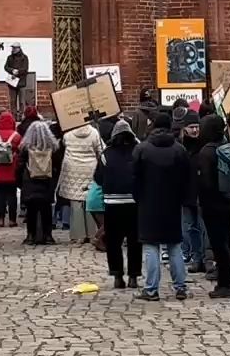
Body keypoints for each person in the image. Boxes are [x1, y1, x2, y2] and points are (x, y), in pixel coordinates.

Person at [133, 113, 192, 301]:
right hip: (172, 203)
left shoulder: (142, 149)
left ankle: (151, 289)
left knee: (151, 246)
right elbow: (187, 178)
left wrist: (138, 197)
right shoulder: (179, 150)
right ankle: (180, 287)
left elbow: (135, 177)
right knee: (174, 246)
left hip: (148, 203)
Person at [194, 114, 230, 298]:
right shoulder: (227, 146)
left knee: (219, 245)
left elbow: (205, 182)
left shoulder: (207, 152)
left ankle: (227, 284)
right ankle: (227, 279)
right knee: (227, 242)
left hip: (213, 205)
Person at [95, 120, 142, 287]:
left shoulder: (106, 154)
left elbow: (98, 178)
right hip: (134, 202)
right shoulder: (138, 151)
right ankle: (133, 276)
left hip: (112, 203)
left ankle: (117, 275)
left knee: (113, 241)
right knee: (134, 241)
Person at [57, 118, 103, 244]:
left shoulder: (68, 133)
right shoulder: (94, 132)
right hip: (90, 168)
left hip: (73, 169)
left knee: (76, 203)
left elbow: (64, 144)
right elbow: (100, 150)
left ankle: (78, 235)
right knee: (89, 200)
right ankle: (91, 233)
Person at [175, 110, 208, 272]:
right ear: (185, 128)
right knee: (190, 228)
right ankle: (196, 257)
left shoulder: (204, 146)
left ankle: (206, 258)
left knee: (203, 228)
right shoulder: (180, 148)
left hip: (202, 193)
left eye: (197, 126)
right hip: (187, 193)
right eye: (191, 127)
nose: (195, 130)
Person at [19, 118, 60, 245]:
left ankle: (30, 235)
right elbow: (57, 165)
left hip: (30, 181)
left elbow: (19, 166)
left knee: (31, 209)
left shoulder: (26, 148)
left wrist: (20, 181)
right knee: (46, 209)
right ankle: (48, 236)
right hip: (47, 182)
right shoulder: (53, 148)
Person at [0, 110, 21, 227]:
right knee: (12, 195)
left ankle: (0, 219)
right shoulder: (16, 136)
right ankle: (12, 219)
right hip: (11, 171)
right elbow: (21, 151)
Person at [3, 44, 30, 110]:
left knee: (22, 101)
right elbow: (6, 67)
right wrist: (12, 70)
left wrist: (17, 72)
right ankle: (13, 115)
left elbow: (25, 69)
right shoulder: (9, 57)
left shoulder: (24, 57)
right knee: (12, 101)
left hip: (21, 82)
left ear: (19, 48)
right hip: (12, 82)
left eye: (15, 48)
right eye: (13, 48)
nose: (13, 49)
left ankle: (22, 114)